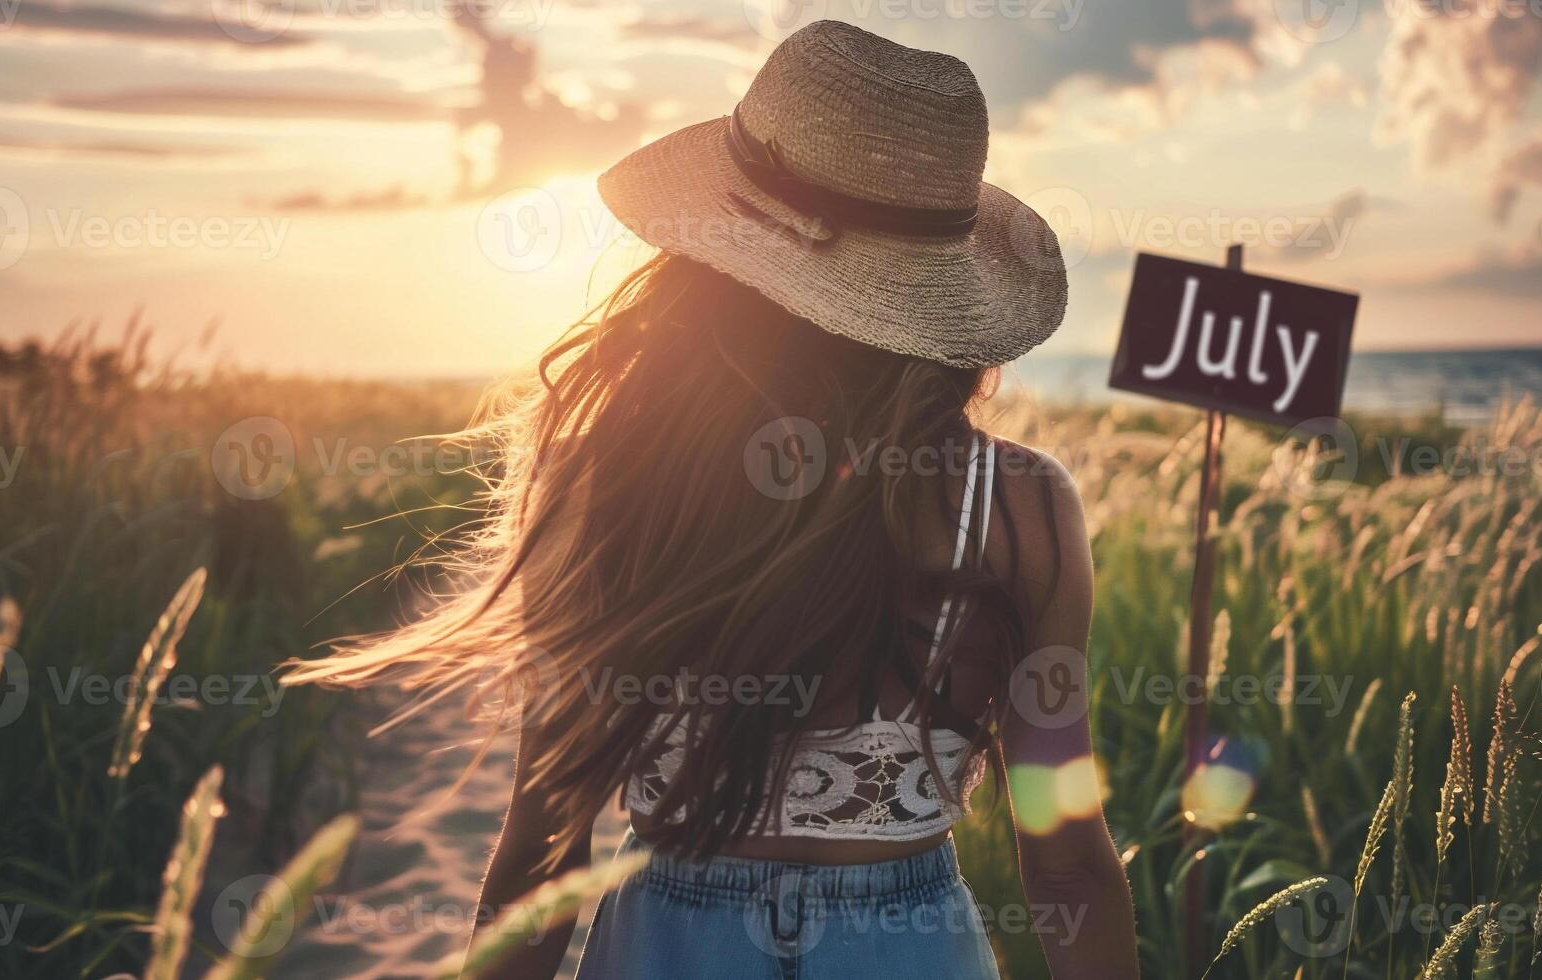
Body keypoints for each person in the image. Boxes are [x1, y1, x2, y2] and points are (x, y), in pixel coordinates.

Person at [290, 20, 1138, 979]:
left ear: (706, 264)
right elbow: (1064, 859)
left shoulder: (603, 477)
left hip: (666, 942)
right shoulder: (1019, 507)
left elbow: (541, 845)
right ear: (936, 301)